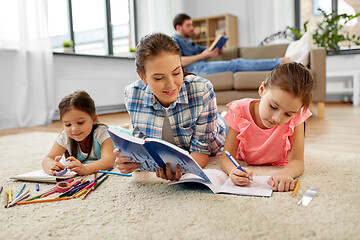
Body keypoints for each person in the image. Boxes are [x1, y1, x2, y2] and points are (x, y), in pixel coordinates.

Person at [114, 32, 227, 181]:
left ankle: (224, 115)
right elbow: (142, 146)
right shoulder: (132, 95)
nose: (171, 84)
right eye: (159, 78)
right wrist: (131, 162)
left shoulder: (202, 89)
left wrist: (181, 170)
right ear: (142, 77)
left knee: (226, 122)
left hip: (215, 132)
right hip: (171, 146)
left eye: (176, 72)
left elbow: (200, 153)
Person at [220, 62, 313, 192]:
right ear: (262, 90)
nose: (277, 118)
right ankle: (222, 117)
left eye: (288, 114)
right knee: (218, 130)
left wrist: (286, 173)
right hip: (225, 129)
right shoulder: (239, 111)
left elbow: (297, 161)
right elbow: (226, 156)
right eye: (273, 107)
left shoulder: (297, 114)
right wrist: (233, 171)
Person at [172, 13, 309, 76]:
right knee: (236, 63)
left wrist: (216, 49)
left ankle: (284, 61)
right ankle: (283, 61)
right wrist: (202, 56)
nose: (192, 27)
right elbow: (178, 62)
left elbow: (206, 50)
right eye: (188, 25)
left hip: (201, 65)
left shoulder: (189, 41)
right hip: (194, 70)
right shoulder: (174, 41)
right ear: (179, 27)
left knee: (236, 63)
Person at [42, 90, 115, 176]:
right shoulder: (65, 136)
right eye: (68, 124)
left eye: (80, 123)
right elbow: (48, 158)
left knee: (115, 130)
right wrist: (51, 166)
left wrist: (85, 169)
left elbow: (108, 161)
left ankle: (122, 127)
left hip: (112, 136)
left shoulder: (102, 132)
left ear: (94, 119)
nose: (74, 129)